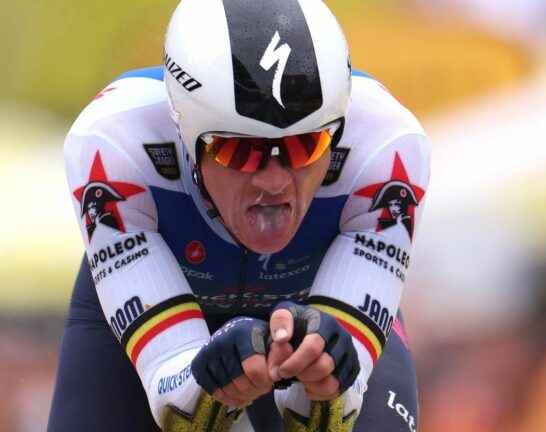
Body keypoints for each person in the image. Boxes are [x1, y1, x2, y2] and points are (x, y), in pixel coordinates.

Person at [47, 0, 430, 430]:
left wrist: (325, 376)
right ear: (184, 133)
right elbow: (179, 408)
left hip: (316, 308)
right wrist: (206, 382)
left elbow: (330, 414)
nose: (275, 181)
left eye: (307, 146)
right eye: (239, 150)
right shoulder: (114, 144)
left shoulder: (386, 146)